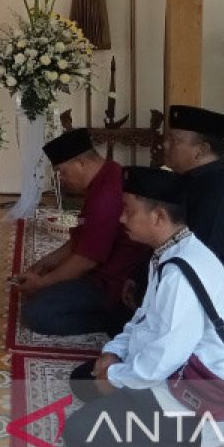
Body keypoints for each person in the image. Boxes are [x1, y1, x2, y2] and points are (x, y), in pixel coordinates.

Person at [63, 167, 224, 447]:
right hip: (172, 368)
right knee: (83, 378)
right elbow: (145, 320)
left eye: (128, 210)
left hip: (194, 390)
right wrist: (113, 354)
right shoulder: (171, 251)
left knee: (81, 434)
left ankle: (193, 438)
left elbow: (167, 356)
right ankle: (132, 403)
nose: (121, 218)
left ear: (159, 216)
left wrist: (116, 377)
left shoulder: (180, 274)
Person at [13, 129, 149, 337]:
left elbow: (86, 260)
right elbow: (82, 238)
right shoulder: (108, 173)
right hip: (97, 270)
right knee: (45, 284)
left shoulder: (105, 194)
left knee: (37, 313)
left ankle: (116, 320)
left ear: (81, 163)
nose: (61, 179)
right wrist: (45, 264)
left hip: (112, 284)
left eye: (62, 171)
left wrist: (42, 284)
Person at [164, 105, 224, 314]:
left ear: (202, 150)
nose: (165, 144)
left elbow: (198, 258)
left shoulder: (217, 195)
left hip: (215, 300)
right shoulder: (190, 180)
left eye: (175, 140)